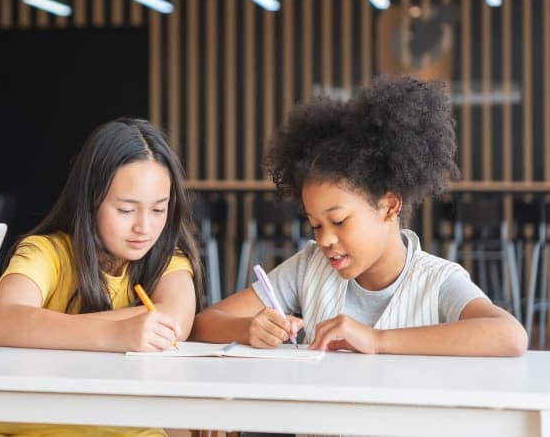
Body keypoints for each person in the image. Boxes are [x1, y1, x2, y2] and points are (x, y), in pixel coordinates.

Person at [191, 75, 527, 357]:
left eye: (339, 221)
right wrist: (248, 328)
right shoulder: (309, 268)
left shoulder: (436, 281)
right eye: (315, 224)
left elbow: (510, 336)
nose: (325, 239)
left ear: (389, 206)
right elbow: (204, 324)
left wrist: (377, 340)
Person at [0, 118, 204, 437]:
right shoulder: (46, 252)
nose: (144, 227)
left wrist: (32, 327)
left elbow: (172, 322)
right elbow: (6, 320)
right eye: (126, 210)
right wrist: (119, 334)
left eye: (158, 210)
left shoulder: (167, 259)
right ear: (90, 199)